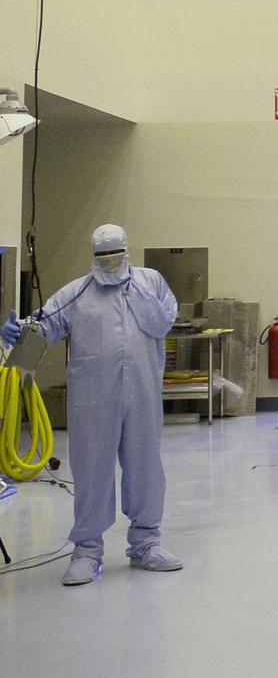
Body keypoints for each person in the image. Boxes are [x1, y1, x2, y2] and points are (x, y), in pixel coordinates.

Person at [2, 224, 181, 585]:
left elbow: (164, 321)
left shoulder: (151, 283)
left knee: (146, 466)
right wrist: (19, 331)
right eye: (104, 256)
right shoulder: (77, 293)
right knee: (91, 469)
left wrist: (137, 295)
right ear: (93, 256)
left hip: (142, 395)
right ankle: (86, 549)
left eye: (117, 255)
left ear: (127, 251)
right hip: (93, 399)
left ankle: (147, 543)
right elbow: (44, 326)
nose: (111, 263)